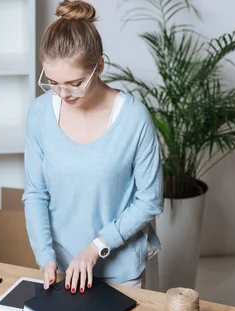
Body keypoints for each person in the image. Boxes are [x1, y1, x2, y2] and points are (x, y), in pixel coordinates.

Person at [21, 0, 163, 294]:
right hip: (61, 268)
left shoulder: (134, 119)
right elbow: (36, 193)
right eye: (53, 82)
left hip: (121, 271)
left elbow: (149, 201)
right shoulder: (40, 114)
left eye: (74, 83)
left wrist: (97, 246)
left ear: (99, 66)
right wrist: (46, 257)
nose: (63, 94)